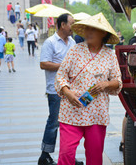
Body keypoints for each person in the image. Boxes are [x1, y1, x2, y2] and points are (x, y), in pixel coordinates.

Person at [55, 13, 121, 165]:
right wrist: (67, 92)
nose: (89, 32)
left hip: (97, 113)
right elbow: (60, 76)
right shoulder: (74, 50)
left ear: (103, 33)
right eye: (87, 29)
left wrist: (106, 84)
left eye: (93, 29)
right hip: (71, 109)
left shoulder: (110, 55)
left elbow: (117, 81)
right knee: (66, 154)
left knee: (95, 157)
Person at [39, 13, 79, 165]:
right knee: (54, 122)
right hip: (55, 90)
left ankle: (67, 156)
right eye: (71, 23)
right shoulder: (50, 42)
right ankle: (45, 155)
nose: (73, 27)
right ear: (63, 25)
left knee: (68, 125)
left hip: (71, 90)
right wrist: (64, 66)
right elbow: (43, 64)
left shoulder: (72, 42)